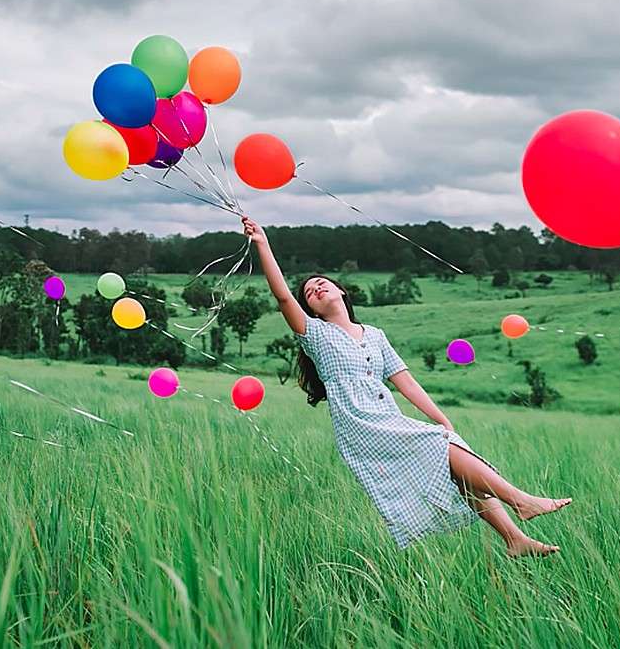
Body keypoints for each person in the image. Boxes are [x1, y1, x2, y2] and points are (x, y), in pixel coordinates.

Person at [241, 216, 571, 556]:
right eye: (309, 293)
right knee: (442, 448)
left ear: (341, 290)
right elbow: (282, 296)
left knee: (453, 459)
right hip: (360, 423)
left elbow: (406, 381)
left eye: (322, 283)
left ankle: (514, 539)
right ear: (310, 308)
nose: (317, 289)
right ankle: (521, 501)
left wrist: (441, 418)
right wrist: (263, 244)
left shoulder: (375, 336)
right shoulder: (316, 336)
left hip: (386, 415)